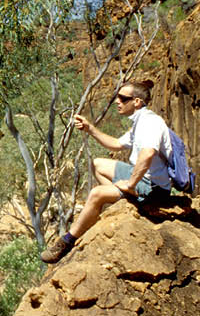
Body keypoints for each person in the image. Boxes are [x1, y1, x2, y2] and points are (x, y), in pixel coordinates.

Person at [40, 79, 171, 264]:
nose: (117, 101)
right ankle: (122, 201)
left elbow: (148, 154)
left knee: (97, 194)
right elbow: (116, 144)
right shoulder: (140, 122)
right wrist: (90, 129)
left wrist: (130, 184)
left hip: (154, 187)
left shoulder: (150, 122)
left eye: (123, 98)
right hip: (143, 177)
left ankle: (67, 242)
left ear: (137, 102)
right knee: (98, 165)